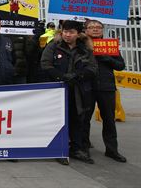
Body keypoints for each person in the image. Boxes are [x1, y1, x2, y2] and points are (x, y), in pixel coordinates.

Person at [41, 20, 97, 164]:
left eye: (71, 32)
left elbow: (92, 68)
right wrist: (61, 76)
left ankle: (77, 149)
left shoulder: (85, 48)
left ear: (78, 34)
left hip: (79, 90)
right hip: (58, 89)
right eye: (65, 32)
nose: (67, 35)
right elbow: (45, 64)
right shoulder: (54, 45)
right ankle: (60, 149)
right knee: (59, 119)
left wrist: (78, 76)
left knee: (77, 119)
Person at [83, 19, 127, 162]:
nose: (95, 29)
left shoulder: (109, 45)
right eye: (91, 27)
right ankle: (83, 148)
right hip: (87, 87)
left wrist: (106, 58)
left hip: (106, 87)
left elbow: (120, 65)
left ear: (102, 29)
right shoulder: (81, 45)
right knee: (84, 119)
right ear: (86, 30)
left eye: (98, 27)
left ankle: (112, 150)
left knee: (109, 119)